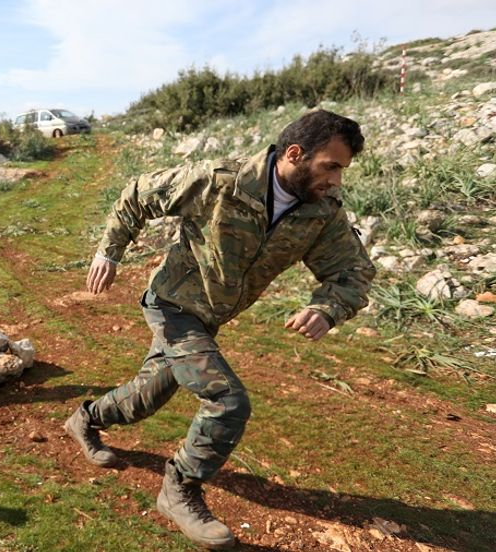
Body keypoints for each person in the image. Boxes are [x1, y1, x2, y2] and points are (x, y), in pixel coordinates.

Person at [64, 110, 376, 550]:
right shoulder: (218, 181)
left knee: (145, 396)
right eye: (332, 166)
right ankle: (179, 489)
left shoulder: (320, 213)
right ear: (294, 154)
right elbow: (137, 195)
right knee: (227, 402)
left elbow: (353, 272)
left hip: (209, 318)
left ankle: (84, 419)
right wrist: (109, 252)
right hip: (171, 306)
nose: (337, 180)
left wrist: (328, 308)